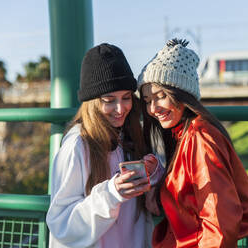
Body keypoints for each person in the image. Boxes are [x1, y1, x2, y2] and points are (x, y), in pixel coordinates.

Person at [138, 38, 248, 248]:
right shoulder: (184, 135)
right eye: (148, 101)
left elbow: (219, 224)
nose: (153, 108)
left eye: (160, 96)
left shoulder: (199, 137)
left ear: (182, 94)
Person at [46, 43, 164, 248]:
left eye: (126, 98)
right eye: (109, 100)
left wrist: (153, 174)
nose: (120, 109)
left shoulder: (132, 135)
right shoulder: (77, 145)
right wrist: (111, 193)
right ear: (91, 103)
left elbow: (149, 207)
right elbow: (61, 224)